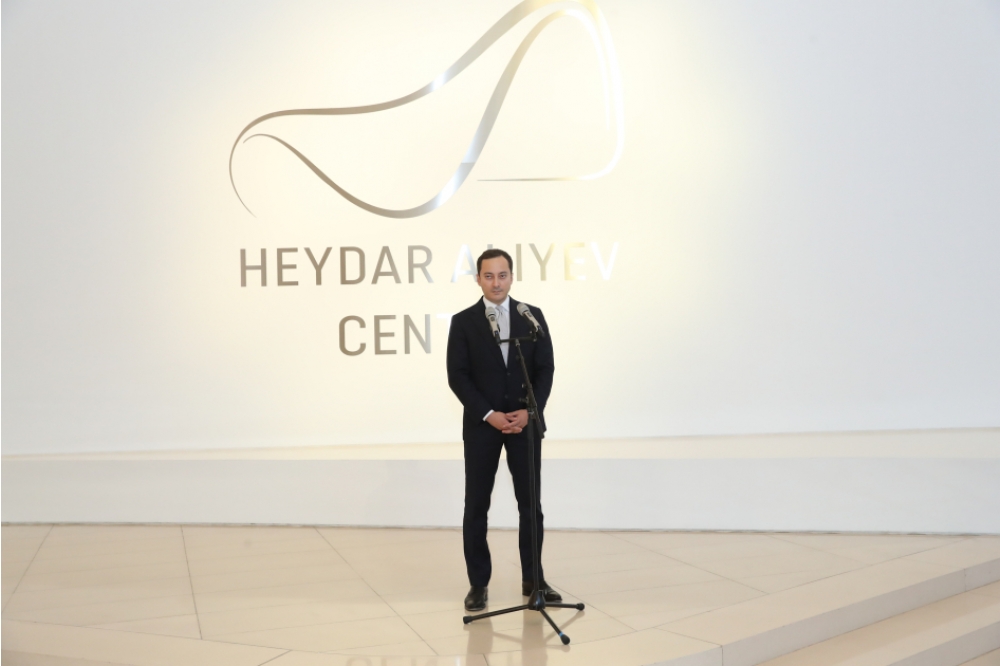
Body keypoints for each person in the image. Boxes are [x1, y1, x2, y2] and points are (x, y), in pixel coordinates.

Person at [446, 248, 562, 612]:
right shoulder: (463, 322)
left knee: (530, 505)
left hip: (524, 423)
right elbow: (457, 376)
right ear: (478, 279)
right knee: (476, 505)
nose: (496, 283)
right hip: (483, 426)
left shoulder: (531, 317)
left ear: (511, 277)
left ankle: (533, 579)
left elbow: (545, 369)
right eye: (489, 276)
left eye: (502, 275)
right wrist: (489, 414)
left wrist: (530, 411)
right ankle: (478, 583)